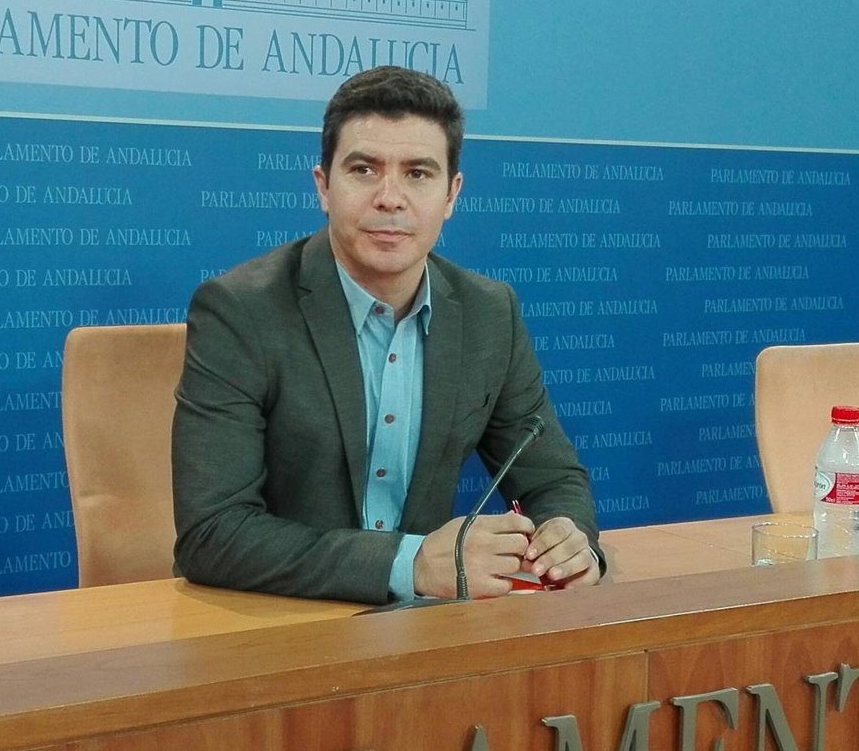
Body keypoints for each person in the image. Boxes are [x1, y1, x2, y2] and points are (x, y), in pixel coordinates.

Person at [172, 65, 604, 605]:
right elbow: (212, 534)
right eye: (364, 169)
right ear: (324, 186)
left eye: (419, 173)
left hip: (427, 637)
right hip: (279, 623)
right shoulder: (241, 311)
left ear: (452, 194)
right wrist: (412, 564)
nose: (390, 198)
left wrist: (572, 541)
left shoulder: (489, 312)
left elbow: (552, 479)